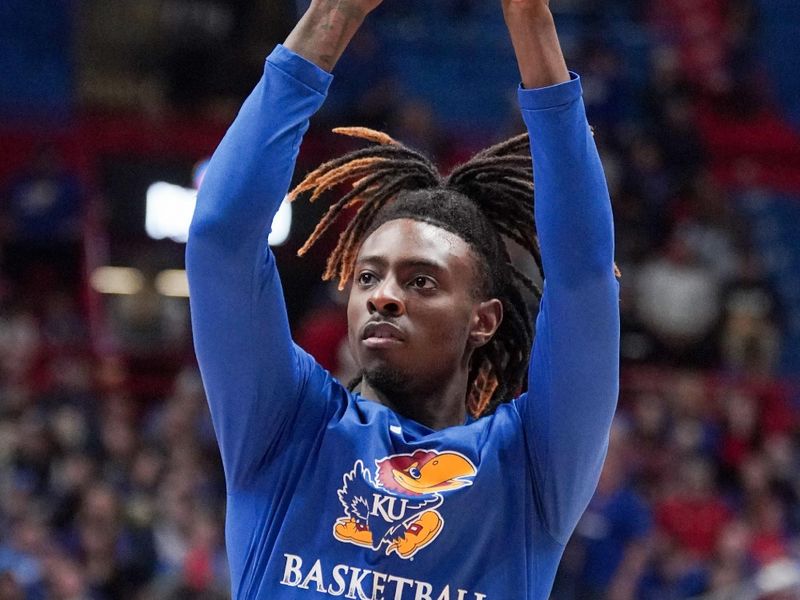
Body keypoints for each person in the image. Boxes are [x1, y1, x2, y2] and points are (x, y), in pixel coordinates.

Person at [186, 0, 620, 598]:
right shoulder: (288, 426)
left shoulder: (528, 467)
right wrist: (334, 13)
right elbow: (221, 237)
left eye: (421, 282)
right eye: (367, 277)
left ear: (483, 320)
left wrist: (530, 18)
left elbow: (585, 279)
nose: (383, 297)